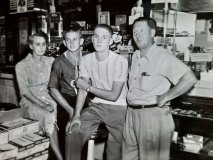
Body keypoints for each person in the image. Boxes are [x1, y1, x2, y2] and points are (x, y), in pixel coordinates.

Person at [122, 17, 197, 160]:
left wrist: (166, 96)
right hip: (131, 114)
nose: (137, 35)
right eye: (135, 32)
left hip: (152, 117)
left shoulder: (162, 56)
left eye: (142, 31)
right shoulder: (136, 55)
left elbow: (190, 78)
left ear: (152, 32)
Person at [65, 24, 128, 160]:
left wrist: (88, 87)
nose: (99, 40)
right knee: (73, 131)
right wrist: (76, 115)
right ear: (92, 39)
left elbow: (113, 96)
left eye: (104, 37)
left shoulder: (121, 61)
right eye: (96, 36)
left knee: (115, 150)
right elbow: (82, 90)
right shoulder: (86, 59)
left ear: (111, 41)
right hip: (96, 106)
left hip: (119, 108)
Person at [15, 31, 63, 160]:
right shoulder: (21, 66)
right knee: (48, 116)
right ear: (31, 46)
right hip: (30, 102)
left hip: (49, 99)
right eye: (37, 44)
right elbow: (24, 92)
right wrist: (43, 105)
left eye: (43, 44)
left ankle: (57, 152)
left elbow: (58, 83)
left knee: (66, 113)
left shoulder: (51, 61)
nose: (41, 47)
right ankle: (59, 157)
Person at [48, 23, 84, 158]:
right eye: (68, 39)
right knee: (67, 133)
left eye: (75, 39)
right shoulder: (59, 62)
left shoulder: (88, 59)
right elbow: (52, 88)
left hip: (84, 99)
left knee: (82, 134)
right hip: (66, 100)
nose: (71, 42)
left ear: (81, 41)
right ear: (64, 42)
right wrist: (70, 110)